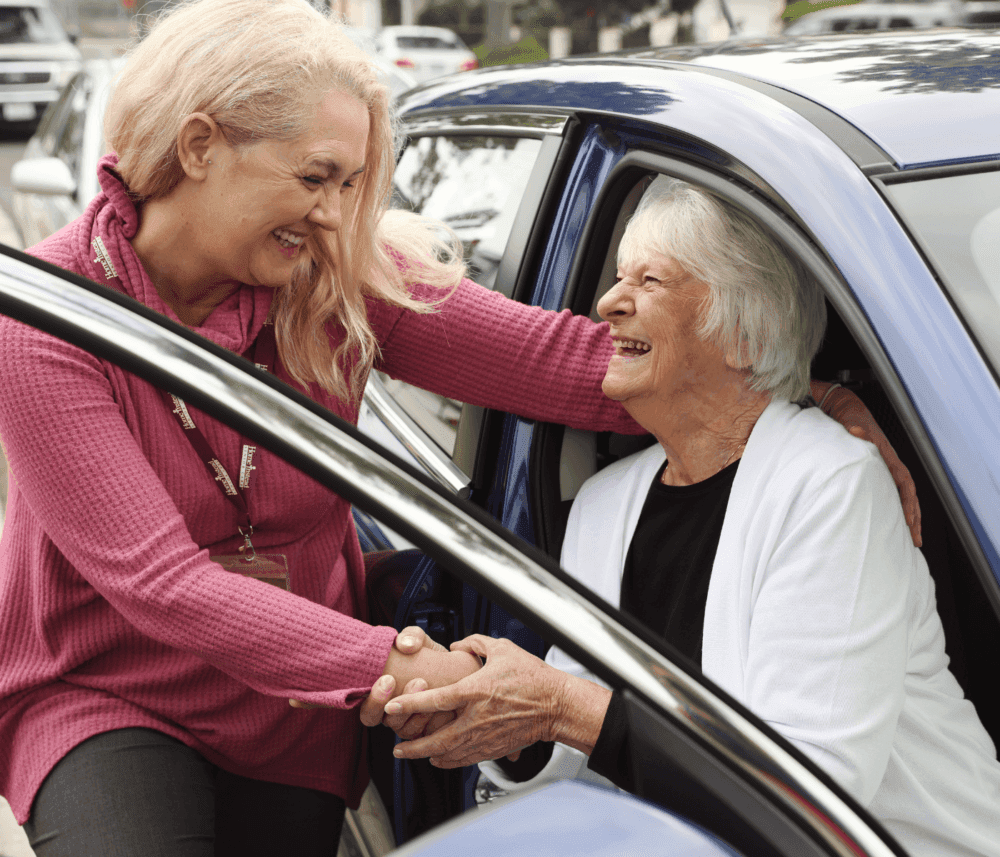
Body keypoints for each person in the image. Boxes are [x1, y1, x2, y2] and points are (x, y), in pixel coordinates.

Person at [0, 1, 912, 852]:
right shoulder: (52, 316)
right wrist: (410, 665)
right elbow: (163, 585)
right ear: (199, 146)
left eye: (352, 183)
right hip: (109, 685)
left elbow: (572, 364)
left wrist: (802, 393)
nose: (333, 214)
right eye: (315, 177)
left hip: (295, 708)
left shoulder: (337, 281)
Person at [377, 178, 1000, 857]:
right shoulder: (605, 504)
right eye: (618, 276)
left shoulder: (831, 483)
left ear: (739, 332)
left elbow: (816, 793)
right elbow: (580, 752)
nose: (608, 304)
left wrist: (558, 704)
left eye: (649, 280)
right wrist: (515, 727)